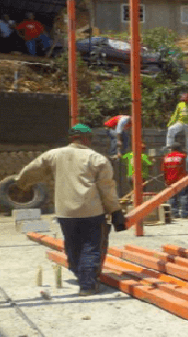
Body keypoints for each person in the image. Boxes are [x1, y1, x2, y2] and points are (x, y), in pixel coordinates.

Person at [14, 124, 124, 296]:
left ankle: (81, 273)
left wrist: (21, 183)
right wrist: (115, 211)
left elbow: (32, 169)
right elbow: (107, 188)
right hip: (91, 211)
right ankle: (88, 285)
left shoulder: (54, 155)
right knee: (90, 247)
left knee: (72, 245)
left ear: (72, 138)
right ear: (87, 139)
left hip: (65, 212)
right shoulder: (97, 158)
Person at [162, 143, 188, 218]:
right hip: (181, 179)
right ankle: (184, 213)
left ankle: (174, 213)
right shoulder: (183, 156)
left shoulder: (166, 157)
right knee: (183, 196)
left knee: (172, 197)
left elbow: (164, 170)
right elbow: (186, 168)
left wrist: (165, 180)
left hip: (169, 179)